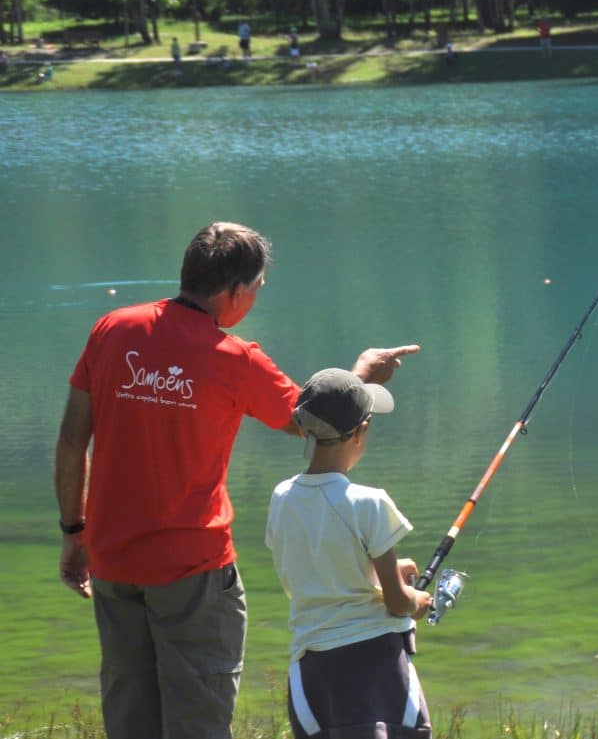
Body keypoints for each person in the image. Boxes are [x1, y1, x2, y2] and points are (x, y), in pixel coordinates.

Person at [54, 221, 418, 739]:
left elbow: (72, 443)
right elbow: (311, 421)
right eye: (256, 289)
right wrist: (358, 377)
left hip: (112, 560)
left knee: (130, 718)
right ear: (233, 292)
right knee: (198, 723)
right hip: (194, 570)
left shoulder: (112, 330)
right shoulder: (235, 360)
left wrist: (74, 533)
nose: (254, 300)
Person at [266, 369, 435, 739]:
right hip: (378, 669)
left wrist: (372, 576)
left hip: (311, 674)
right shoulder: (370, 503)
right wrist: (419, 600)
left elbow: (313, 574)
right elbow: (397, 602)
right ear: (361, 431)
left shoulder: (281, 498)